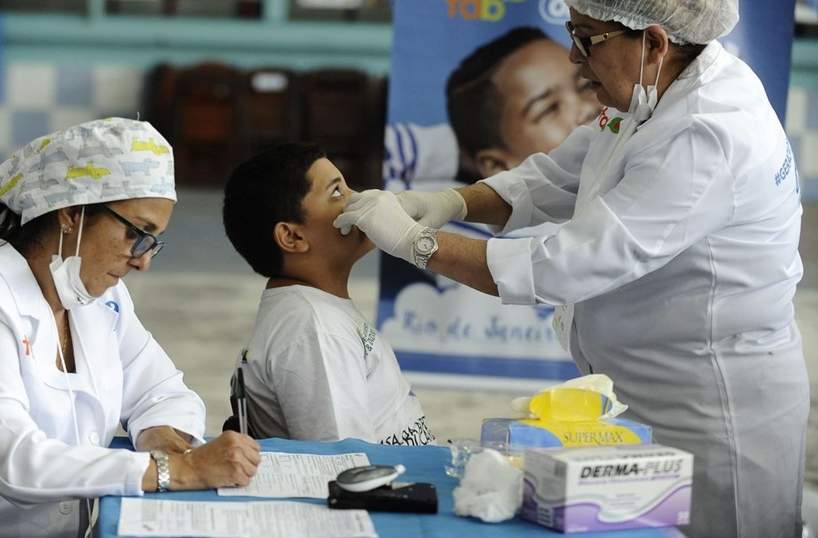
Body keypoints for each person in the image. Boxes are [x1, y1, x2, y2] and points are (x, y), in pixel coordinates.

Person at [335, 1, 808, 537]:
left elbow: (563, 266)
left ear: (653, 42)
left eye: (587, 38)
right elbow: (562, 175)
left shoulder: (705, 134)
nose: (573, 57)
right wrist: (451, 202)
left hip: (716, 407)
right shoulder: (654, 89)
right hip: (647, 387)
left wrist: (416, 243)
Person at [0, 118, 261, 537]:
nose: (143, 260)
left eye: (153, 241)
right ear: (71, 213)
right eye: (137, 233)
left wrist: (158, 434)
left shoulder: (96, 297)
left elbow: (161, 389)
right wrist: (174, 471)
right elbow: (11, 459)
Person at [222, 142, 435, 446]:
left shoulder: (315, 312)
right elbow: (346, 463)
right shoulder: (316, 331)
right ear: (292, 236)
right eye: (337, 192)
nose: (359, 198)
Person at [385, 26, 601, 189]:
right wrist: (460, 147)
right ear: (497, 165)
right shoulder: (465, 227)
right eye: (549, 109)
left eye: (585, 85)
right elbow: (388, 159)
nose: (586, 108)